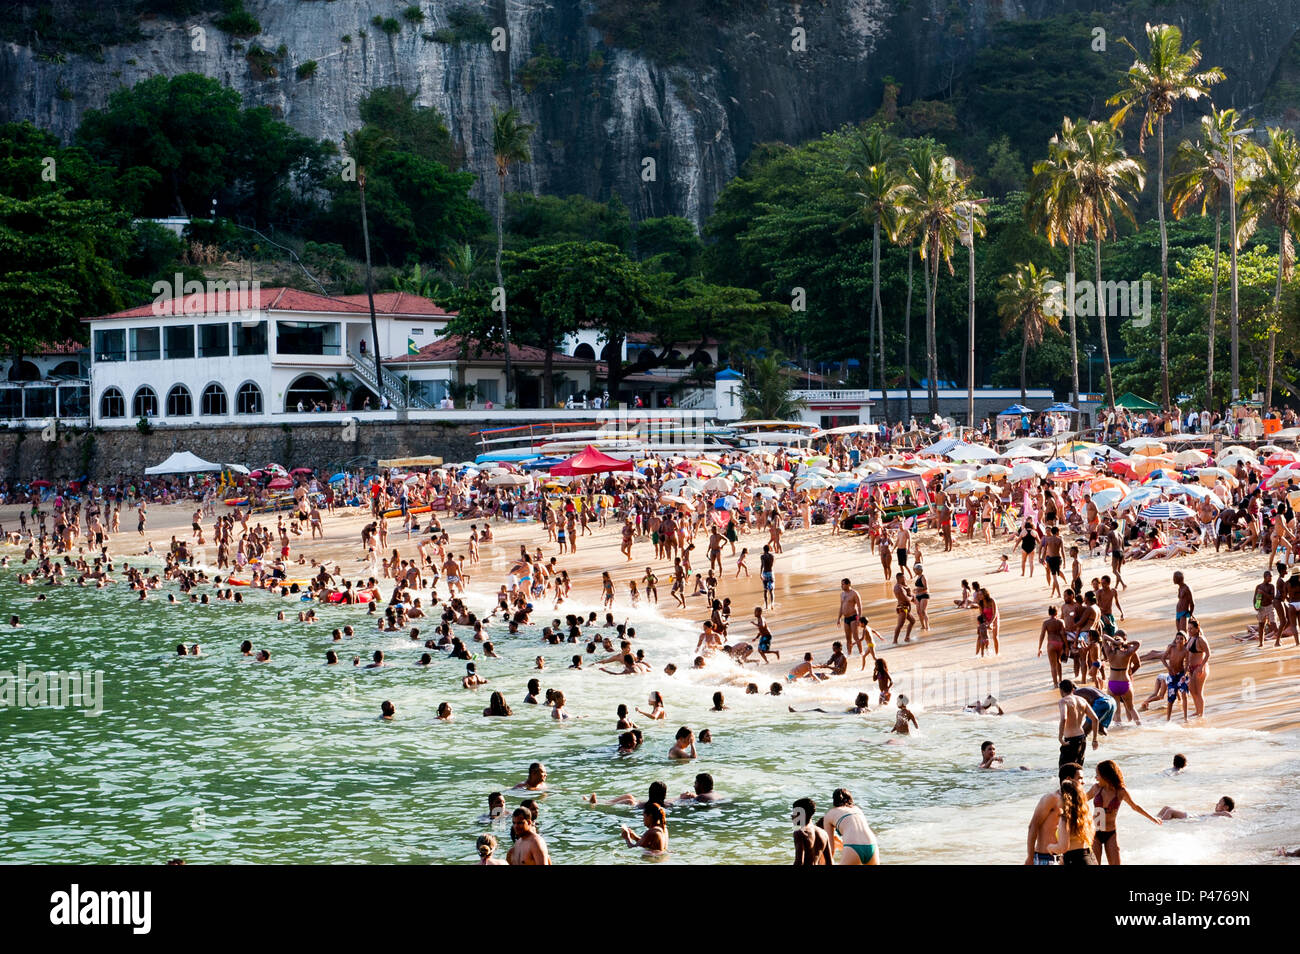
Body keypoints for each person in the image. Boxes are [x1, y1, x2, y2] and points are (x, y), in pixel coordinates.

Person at [1088, 759, 1161, 864]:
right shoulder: (1096, 788)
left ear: (1106, 776)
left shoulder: (1121, 792)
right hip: (1095, 832)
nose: (1096, 778)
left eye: (1097, 775)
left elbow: (1135, 806)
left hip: (1110, 833)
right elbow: (1081, 801)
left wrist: (1152, 818)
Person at [1046, 767, 1097, 865]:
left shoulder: (1065, 818)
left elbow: (1063, 847)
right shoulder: (1084, 814)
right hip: (1090, 858)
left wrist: (1050, 847)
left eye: (1059, 795)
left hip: (1075, 860)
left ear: (1065, 798)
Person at [821, 788, 879, 865]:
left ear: (834, 800)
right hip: (872, 844)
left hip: (853, 846)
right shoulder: (857, 809)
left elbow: (830, 847)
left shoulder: (829, 815)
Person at [1057, 679, 1098, 767]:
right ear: (1073, 689)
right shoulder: (1082, 700)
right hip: (1082, 739)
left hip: (1070, 741)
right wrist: (1095, 739)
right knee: (1078, 769)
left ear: (1061, 690)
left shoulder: (1063, 701)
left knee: (1064, 770)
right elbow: (1095, 719)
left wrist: (1060, 738)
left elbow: (1064, 718)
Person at [792, 797, 833, 865]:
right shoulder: (823, 833)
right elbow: (830, 862)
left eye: (794, 812)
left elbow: (799, 862)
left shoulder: (799, 832)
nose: (792, 815)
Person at [1157, 797, 1235, 820]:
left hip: (1194, 818)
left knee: (1170, 811)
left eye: (1219, 803)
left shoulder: (1224, 813)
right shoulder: (1220, 814)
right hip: (1195, 816)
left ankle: (1160, 825)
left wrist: (1231, 812)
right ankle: (1155, 820)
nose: (1217, 804)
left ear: (1226, 807)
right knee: (1166, 808)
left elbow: (1228, 814)